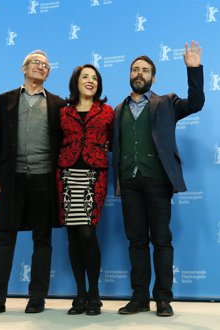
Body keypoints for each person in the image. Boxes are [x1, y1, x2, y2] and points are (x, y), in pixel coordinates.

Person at [112, 41, 205, 317]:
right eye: (135, 70)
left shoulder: (166, 102)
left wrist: (193, 69)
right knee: (136, 241)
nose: (139, 73)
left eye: (145, 70)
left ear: (153, 77)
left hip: (157, 181)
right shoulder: (118, 110)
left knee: (162, 241)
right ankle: (139, 297)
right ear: (130, 75)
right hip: (129, 182)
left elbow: (196, 103)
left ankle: (163, 299)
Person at [0, 50, 66, 317]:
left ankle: (37, 297)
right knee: (4, 238)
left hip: (44, 178)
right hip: (12, 179)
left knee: (42, 239)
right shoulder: (4, 100)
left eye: (46, 65)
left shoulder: (58, 104)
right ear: (24, 69)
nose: (41, 67)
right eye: (36, 63)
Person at [56, 64, 114, 315]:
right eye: (85, 77)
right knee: (73, 235)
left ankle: (94, 294)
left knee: (88, 234)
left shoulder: (107, 111)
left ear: (99, 84)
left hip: (94, 175)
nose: (90, 81)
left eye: (94, 78)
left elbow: (113, 140)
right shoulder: (63, 112)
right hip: (67, 174)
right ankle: (79, 294)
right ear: (76, 82)